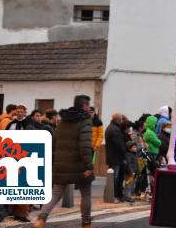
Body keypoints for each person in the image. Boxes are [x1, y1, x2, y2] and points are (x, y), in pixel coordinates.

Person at [33, 95, 94, 228]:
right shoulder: (85, 121)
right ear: (84, 106)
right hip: (79, 164)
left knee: (55, 194)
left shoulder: (63, 121)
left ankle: (41, 219)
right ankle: (86, 223)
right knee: (86, 194)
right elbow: (85, 145)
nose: (89, 109)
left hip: (61, 163)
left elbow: (55, 141)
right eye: (88, 106)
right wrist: (88, 165)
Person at [105, 113, 127, 202]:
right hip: (115, 157)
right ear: (118, 120)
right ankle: (111, 196)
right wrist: (124, 152)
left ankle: (111, 195)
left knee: (113, 177)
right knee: (114, 177)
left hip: (112, 156)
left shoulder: (111, 127)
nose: (122, 121)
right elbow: (119, 144)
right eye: (121, 120)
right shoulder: (115, 129)